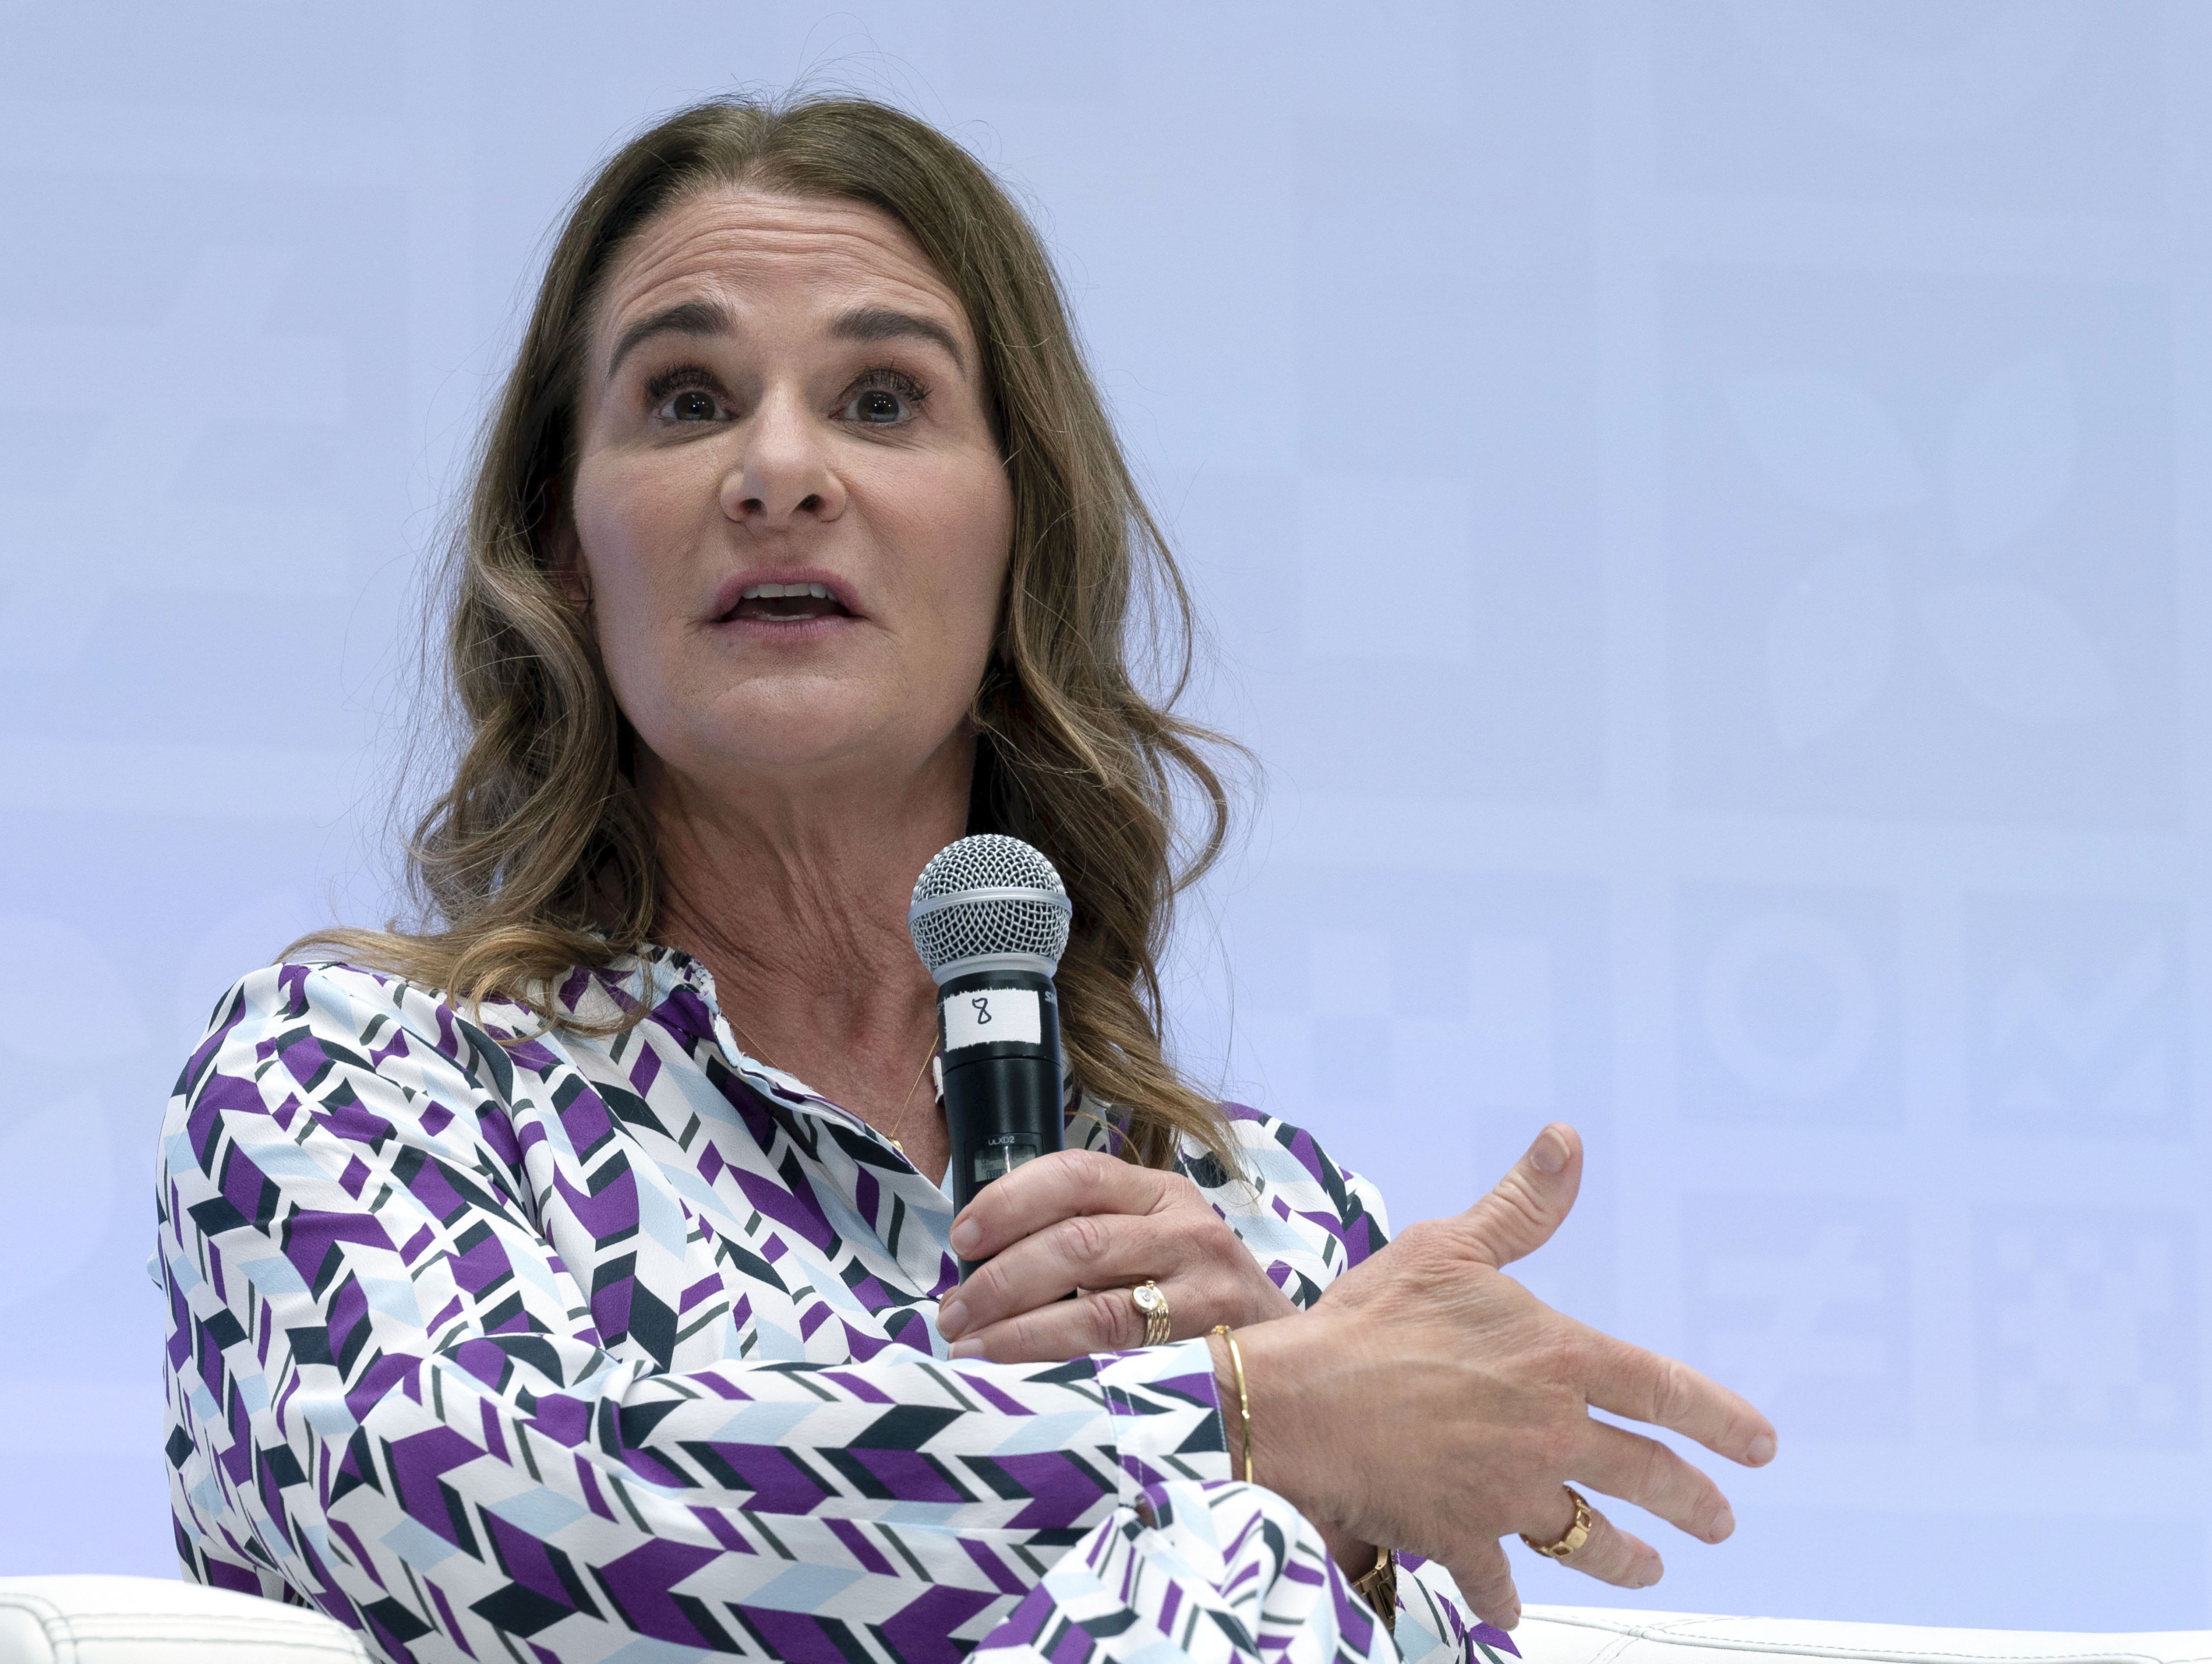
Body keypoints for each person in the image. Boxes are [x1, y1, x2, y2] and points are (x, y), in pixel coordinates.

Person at [157, 95, 1777, 1664]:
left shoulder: (1260, 1213)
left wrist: (1333, 1517)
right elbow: (437, 1505)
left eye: (879, 402)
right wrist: (1238, 1418)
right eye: (683, 399)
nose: (778, 471)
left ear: (1021, 541)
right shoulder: (357, 1072)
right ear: (567, 558)